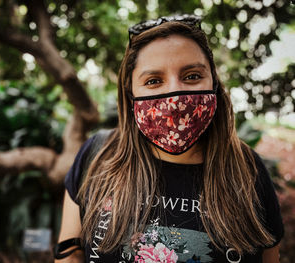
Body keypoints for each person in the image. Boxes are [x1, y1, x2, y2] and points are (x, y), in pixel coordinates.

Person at [55, 14, 284, 263]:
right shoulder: (97, 155)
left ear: (214, 83)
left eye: (192, 76)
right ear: (130, 94)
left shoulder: (248, 170)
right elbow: (70, 251)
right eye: (153, 81)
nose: (175, 93)